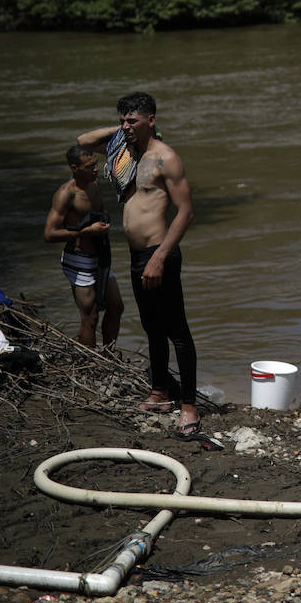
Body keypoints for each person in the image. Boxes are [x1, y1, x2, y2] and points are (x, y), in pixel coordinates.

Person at [78, 92, 200, 433]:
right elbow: (83, 141)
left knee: (177, 330)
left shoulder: (165, 158)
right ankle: (160, 392)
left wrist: (159, 258)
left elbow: (186, 212)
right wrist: (122, 130)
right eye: (122, 121)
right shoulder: (126, 152)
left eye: (132, 120)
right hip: (137, 255)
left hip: (160, 254)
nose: (126, 126)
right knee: (152, 326)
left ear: (152, 120)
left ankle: (189, 406)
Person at [43, 144, 124, 349]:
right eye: (89, 167)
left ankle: (108, 355)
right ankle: (91, 359)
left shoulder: (94, 183)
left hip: (100, 255)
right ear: (74, 168)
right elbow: (49, 234)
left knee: (116, 306)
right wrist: (85, 232)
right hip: (78, 259)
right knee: (90, 316)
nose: (95, 169)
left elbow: (100, 209)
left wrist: (104, 221)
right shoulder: (66, 194)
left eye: (95, 164)